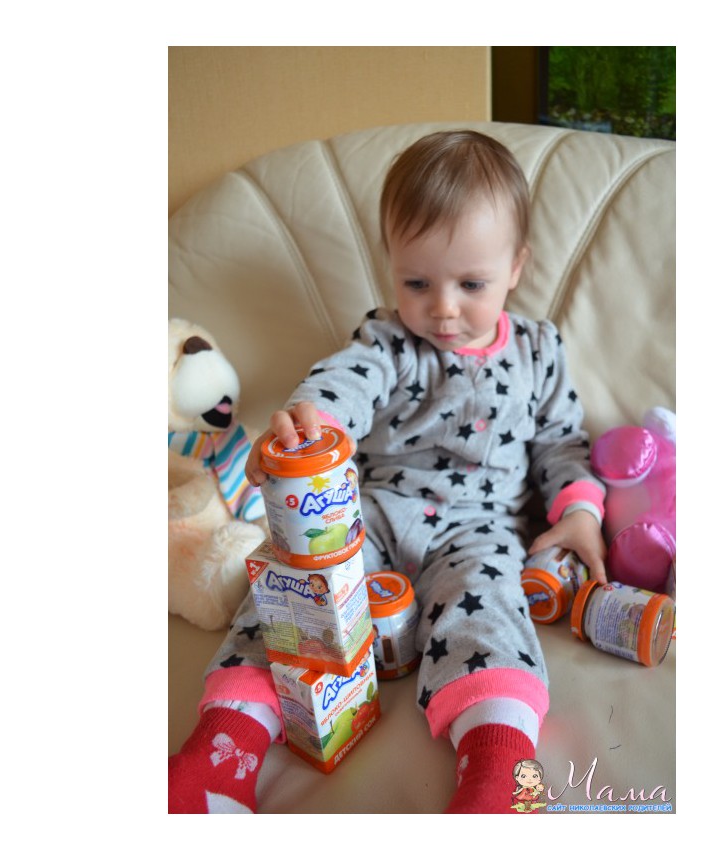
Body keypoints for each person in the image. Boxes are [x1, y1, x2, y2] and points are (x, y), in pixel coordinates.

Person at [168, 130, 607, 814]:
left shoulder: (540, 350)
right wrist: (309, 425)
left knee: (489, 607)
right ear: (392, 268)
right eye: (417, 283)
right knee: (293, 587)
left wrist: (580, 513)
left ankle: (496, 773)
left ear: (516, 266)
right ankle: (220, 753)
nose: (443, 307)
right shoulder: (387, 339)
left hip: (480, 528)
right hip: (372, 512)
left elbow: (562, 443)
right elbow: (345, 383)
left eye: (471, 284)